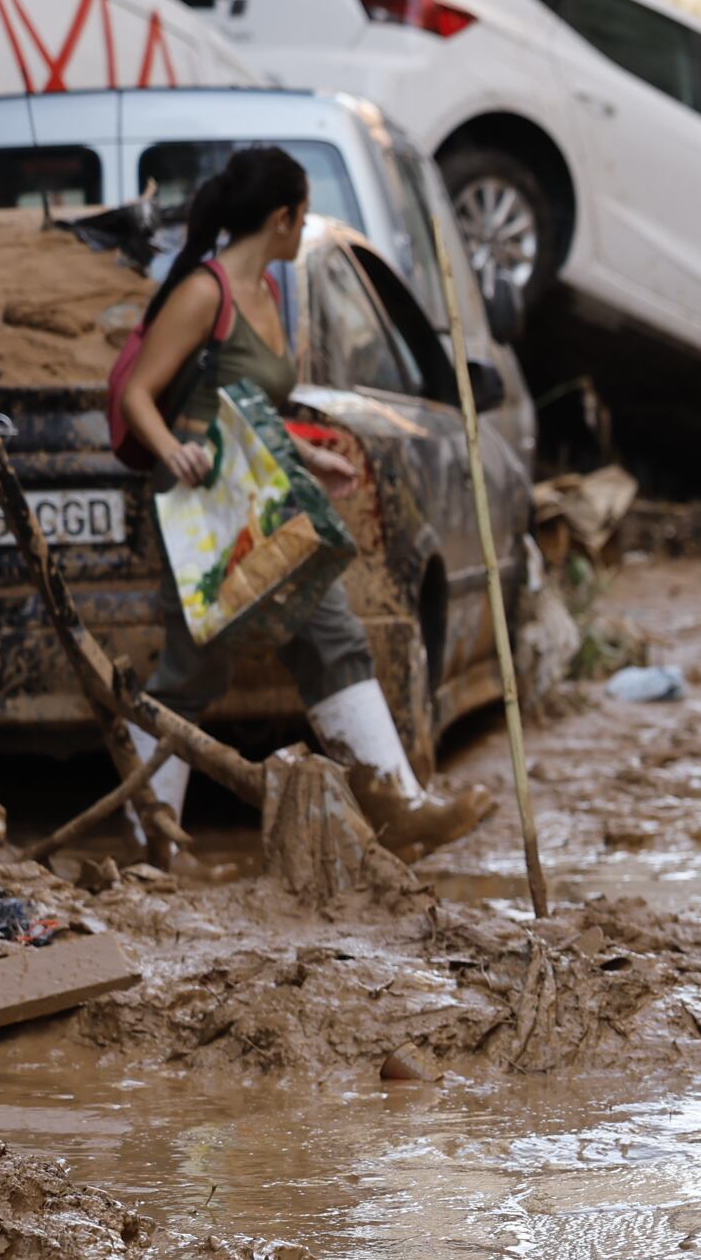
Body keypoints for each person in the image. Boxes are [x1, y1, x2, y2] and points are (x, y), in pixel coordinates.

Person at [113, 146, 491, 856]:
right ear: (282, 218)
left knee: (331, 631)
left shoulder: (268, 295)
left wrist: (306, 451)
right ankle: (149, 842)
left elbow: (252, 408)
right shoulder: (206, 292)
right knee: (194, 669)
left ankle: (397, 805)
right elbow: (139, 395)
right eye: (303, 215)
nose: (304, 227)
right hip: (203, 506)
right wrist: (172, 450)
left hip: (261, 494)